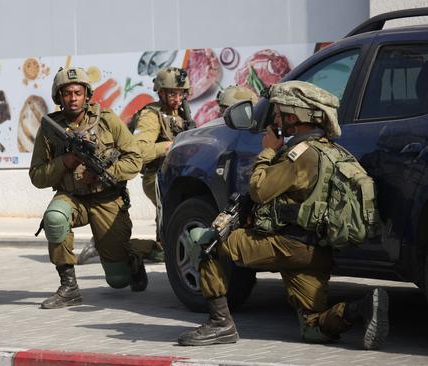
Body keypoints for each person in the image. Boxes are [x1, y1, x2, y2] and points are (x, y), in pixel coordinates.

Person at [178, 81, 389, 350]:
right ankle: (359, 309)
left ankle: (220, 324)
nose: (275, 119)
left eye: (279, 113)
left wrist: (268, 149)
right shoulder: (333, 150)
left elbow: (259, 189)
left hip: (287, 245)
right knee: (313, 328)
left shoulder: (300, 154)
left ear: (294, 117)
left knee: (207, 244)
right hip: (316, 251)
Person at [29, 67, 146, 309]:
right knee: (54, 218)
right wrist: (64, 162)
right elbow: (37, 176)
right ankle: (69, 287)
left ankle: (132, 261)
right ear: (59, 97)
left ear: (86, 95)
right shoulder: (51, 128)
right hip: (72, 197)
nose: (73, 98)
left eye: (78, 93)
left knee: (118, 280)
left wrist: (104, 175)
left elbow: (134, 158)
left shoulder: (107, 121)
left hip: (107, 199)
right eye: (67, 93)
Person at [77, 67, 194, 265]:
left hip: (176, 177)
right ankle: (102, 245)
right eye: (172, 93)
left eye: (181, 93)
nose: (177, 98)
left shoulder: (182, 115)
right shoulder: (151, 115)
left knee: (168, 250)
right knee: (175, 239)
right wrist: (170, 146)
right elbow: (138, 150)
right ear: (161, 92)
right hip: (157, 178)